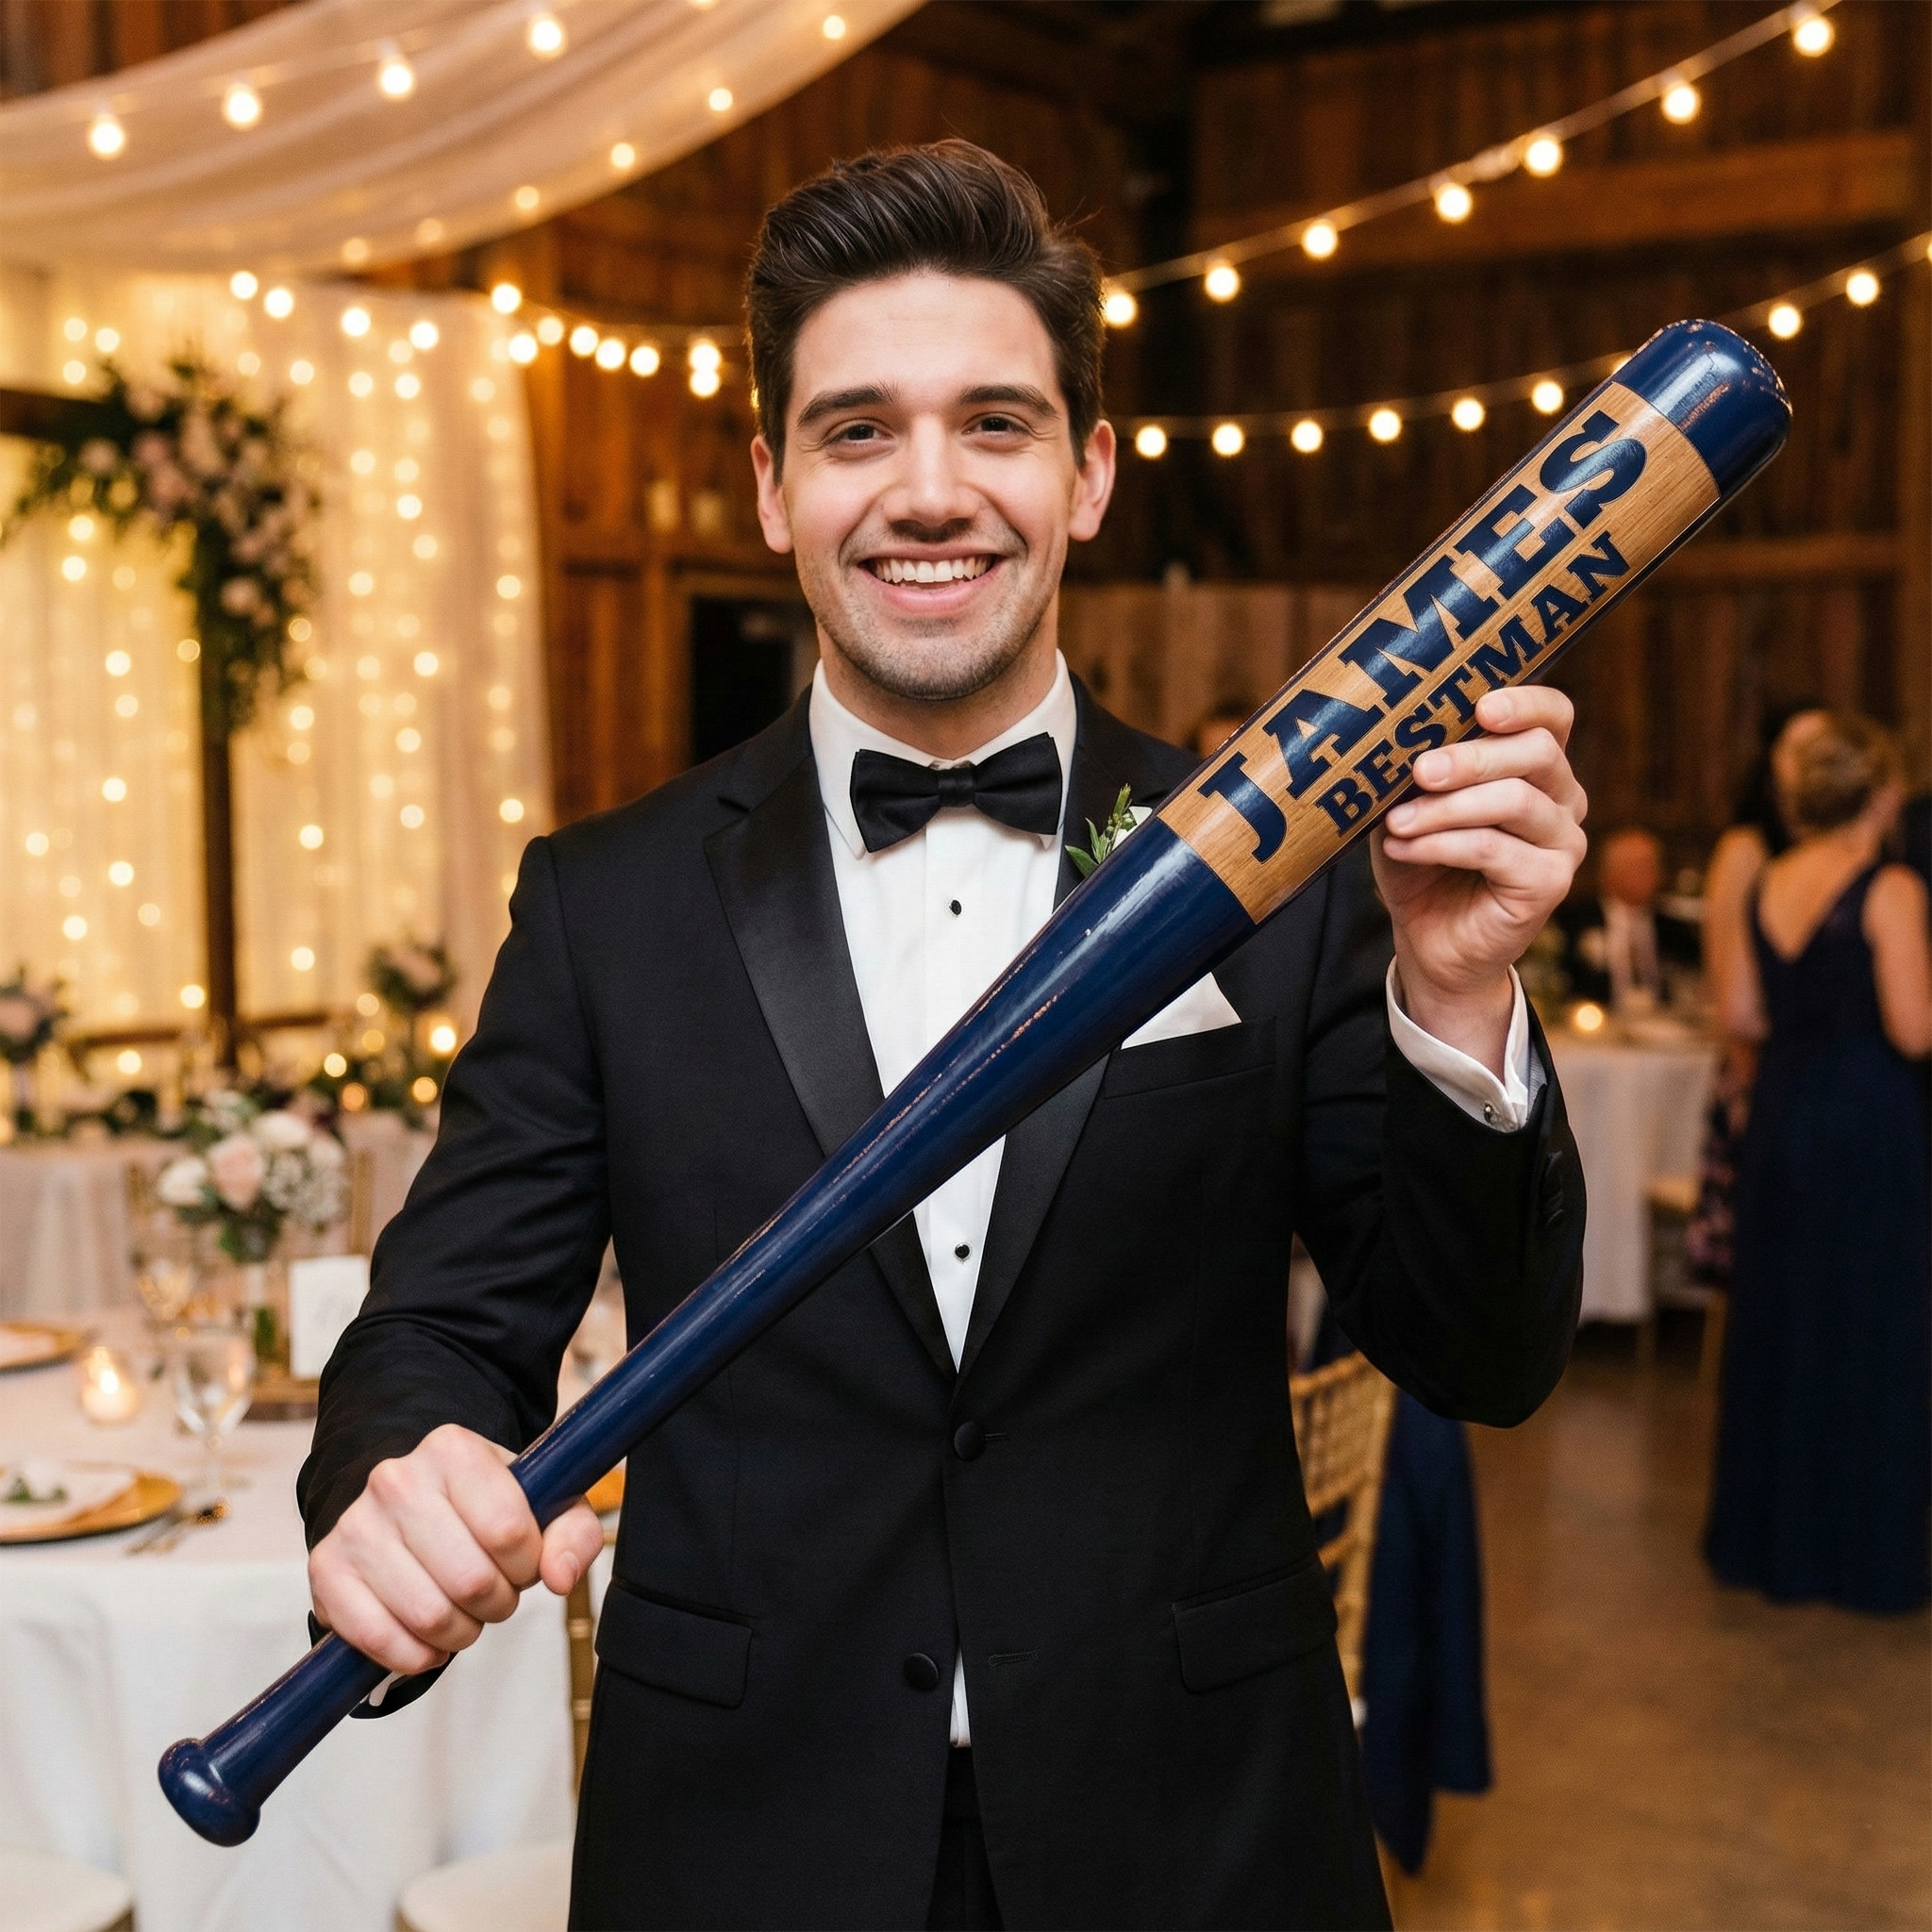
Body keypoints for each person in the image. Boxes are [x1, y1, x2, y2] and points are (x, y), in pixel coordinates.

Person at [299, 142, 1589, 1930]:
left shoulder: (1281, 860)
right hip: (745, 1837)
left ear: (1087, 474)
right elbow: (442, 1320)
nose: (927, 492)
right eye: (853, 431)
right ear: (769, 486)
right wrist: (397, 1471)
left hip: (1197, 1832)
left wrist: (1456, 997)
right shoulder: (605, 900)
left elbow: (1482, 1354)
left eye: (993, 424)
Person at [1705, 711, 1931, 1614]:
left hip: (1785, 1110)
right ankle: (1858, 1551)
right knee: (1871, 1323)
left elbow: (1745, 1014)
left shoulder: (1768, 877)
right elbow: (1914, 1027)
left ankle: (1771, 1541)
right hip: (1867, 1117)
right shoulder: (1892, 888)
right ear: (1881, 795)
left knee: (1784, 1316)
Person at [1687, 705, 1824, 1288]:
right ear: (1774, 765)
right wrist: (1756, 1093)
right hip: (1762, 1074)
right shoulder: (1746, 848)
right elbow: (1732, 994)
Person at [1555, 825, 1701, 1010]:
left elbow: (1690, 978)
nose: (1647, 874)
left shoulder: (1673, 928)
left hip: (1662, 1026)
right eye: (1636, 866)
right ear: (1609, 872)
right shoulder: (1575, 920)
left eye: (1651, 866)